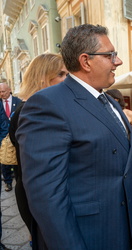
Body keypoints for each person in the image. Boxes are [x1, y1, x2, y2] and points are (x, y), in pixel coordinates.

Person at [16, 24, 132, 249]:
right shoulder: (47, 104)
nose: (118, 61)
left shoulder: (110, 101)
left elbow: (121, 166)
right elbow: (47, 197)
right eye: (110, 55)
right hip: (87, 236)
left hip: (120, 228)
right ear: (86, 61)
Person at [7, 53, 68, 248]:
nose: (68, 79)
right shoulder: (32, 110)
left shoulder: (36, 107)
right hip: (38, 200)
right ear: (43, 78)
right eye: (61, 74)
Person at [0, 82, 21, 192]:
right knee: (4, 162)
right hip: (3, 138)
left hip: (16, 137)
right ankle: (7, 182)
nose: (1, 94)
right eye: (0, 92)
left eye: (3, 91)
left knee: (17, 160)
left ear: (9, 90)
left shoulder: (18, 102)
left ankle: (18, 181)